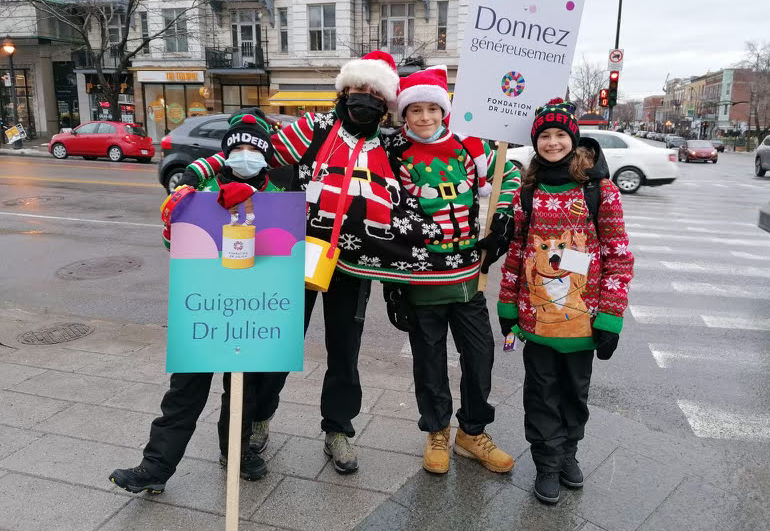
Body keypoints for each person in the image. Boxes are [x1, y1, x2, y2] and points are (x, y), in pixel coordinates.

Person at [177, 51, 403, 474]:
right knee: (276, 344)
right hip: (292, 254)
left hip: (353, 265)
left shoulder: (390, 145)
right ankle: (259, 418)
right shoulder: (313, 128)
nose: (365, 100)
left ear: (385, 102)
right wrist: (199, 172)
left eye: (375, 94)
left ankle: (338, 429)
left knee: (345, 352)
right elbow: (248, 155)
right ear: (344, 91)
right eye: (359, 91)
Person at [109, 110, 280, 493]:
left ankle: (236, 453)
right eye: (237, 147)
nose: (245, 155)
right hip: (204, 309)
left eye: (254, 148)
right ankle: (155, 467)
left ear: (265, 155)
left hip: (251, 314)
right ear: (227, 153)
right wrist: (199, 201)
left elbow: (284, 256)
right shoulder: (199, 196)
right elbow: (174, 242)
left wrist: (250, 206)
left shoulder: (279, 201)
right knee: (183, 392)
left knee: (244, 392)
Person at [381, 65, 521, 474]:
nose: (424, 118)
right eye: (415, 110)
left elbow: (506, 174)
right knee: (429, 361)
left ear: (444, 111)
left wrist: (500, 221)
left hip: (467, 276)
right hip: (421, 278)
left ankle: (471, 433)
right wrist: (393, 283)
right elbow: (388, 214)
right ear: (403, 114)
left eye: (432, 109)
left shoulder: (468, 142)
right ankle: (437, 430)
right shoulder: (395, 155)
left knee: (480, 356)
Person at [496, 98, 634, 505]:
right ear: (535, 141)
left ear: (573, 139)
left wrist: (610, 315)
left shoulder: (600, 191)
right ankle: (546, 463)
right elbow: (518, 254)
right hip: (537, 320)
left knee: (575, 393)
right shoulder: (529, 191)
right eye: (544, 135)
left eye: (560, 135)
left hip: (582, 320)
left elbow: (618, 253)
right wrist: (507, 305)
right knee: (540, 393)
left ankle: (568, 453)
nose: (552, 142)